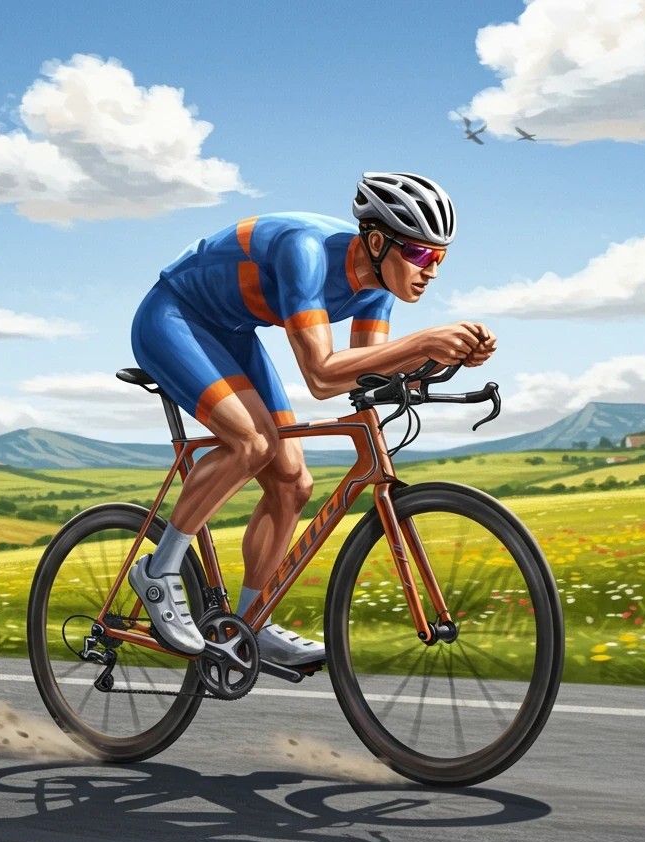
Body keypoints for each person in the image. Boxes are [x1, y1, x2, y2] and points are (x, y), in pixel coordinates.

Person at [128, 172, 497, 662]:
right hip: (173, 318)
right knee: (253, 444)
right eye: (419, 254)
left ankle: (252, 622)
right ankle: (158, 571)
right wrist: (425, 341)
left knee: (293, 482)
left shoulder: (379, 286)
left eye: (439, 257)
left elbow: (363, 376)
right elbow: (322, 376)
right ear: (376, 241)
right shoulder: (304, 252)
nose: (430, 269)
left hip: (233, 332)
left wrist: (446, 359)